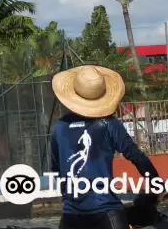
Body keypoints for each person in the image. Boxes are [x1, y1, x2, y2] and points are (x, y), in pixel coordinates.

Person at [50, 65, 161, 229]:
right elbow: (136, 156)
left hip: (71, 215)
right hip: (105, 213)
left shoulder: (60, 127)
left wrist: (70, 198)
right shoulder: (109, 124)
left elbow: (56, 170)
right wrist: (156, 183)